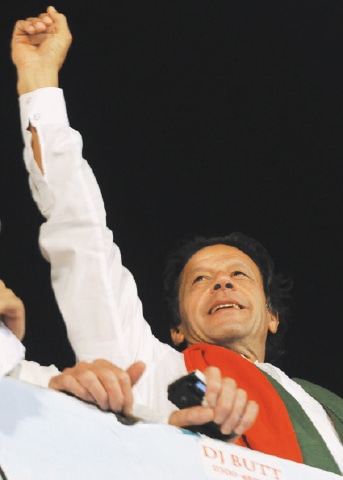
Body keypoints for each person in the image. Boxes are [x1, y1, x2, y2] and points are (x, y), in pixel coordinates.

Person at [10, 7, 343, 475]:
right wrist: (39, 81)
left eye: (238, 275)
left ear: (272, 315)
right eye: (200, 281)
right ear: (178, 331)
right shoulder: (155, 375)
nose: (221, 285)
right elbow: (83, 236)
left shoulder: (329, 407)